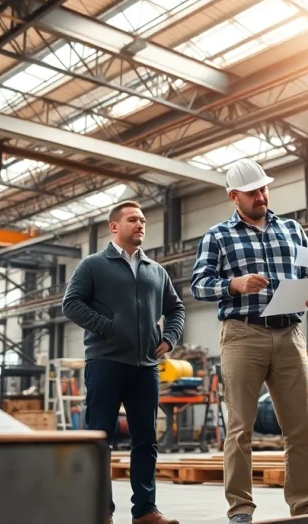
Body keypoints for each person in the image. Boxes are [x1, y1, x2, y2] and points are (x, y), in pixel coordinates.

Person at [189, 158, 308, 524]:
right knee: (240, 429)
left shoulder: (292, 229)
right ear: (234, 196)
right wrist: (233, 284)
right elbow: (198, 285)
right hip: (242, 334)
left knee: (301, 428)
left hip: (290, 333)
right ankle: (240, 509)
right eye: (252, 192)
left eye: (264, 189)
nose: (261, 196)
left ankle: (304, 505)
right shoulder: (217, 236)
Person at [62, 200, 185, 524]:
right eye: (132, 219)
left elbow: (176, 308)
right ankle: (100, 511)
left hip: (146, 368)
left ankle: (145, 511)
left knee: (146, 441)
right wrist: (108, 327)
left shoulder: (155, 271)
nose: (140, 224)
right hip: (106, 363)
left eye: (142, 219)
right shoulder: (93, 265)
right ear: (114, 226)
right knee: (100, 440)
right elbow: (71, 304)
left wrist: (170, 337)